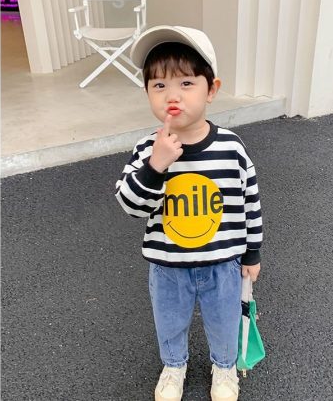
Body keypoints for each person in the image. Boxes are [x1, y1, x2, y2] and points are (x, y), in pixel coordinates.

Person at [115, 25, 263, 401]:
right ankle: (174, 365)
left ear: (211, 89)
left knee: (224, 321)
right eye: (159, 85)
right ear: (147, 93)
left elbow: (249, 200)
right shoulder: (147, 149)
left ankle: (224, 367)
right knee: (169, 322)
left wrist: (252, 252)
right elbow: (130, 205)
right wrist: (156, 166)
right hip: (167, 265)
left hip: (223, 263)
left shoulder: (231, 147)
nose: (172, 95)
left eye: (186, 83)